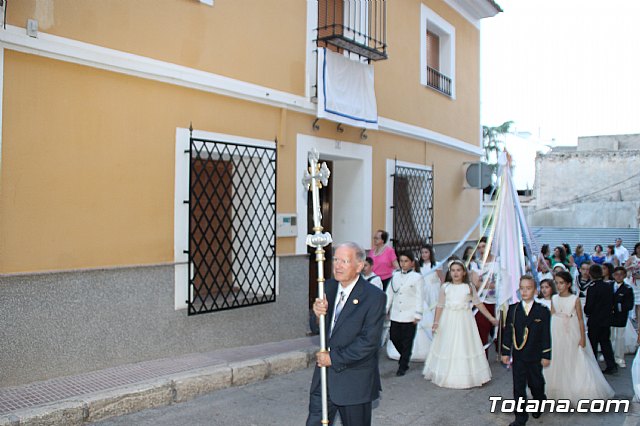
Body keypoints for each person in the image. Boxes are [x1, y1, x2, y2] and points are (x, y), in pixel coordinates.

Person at [306, 242, 386, 426]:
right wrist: (318, 316)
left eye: (344, 261)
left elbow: (369, 342)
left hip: (354, 382)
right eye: (335, 259)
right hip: (324, 378)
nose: (338, 265)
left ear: (359, 266)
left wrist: (333, 358)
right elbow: (317, 327)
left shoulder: (373, 297)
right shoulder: (328, 287)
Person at [422, 260, 498, 389]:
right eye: (453, 270)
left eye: (458, 270)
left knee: (464, 344)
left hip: (464, 321)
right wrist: (436, 322)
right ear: (450, 273)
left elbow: (478, 304)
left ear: (463, 273)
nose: (455, 273)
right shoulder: (445, 287)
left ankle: (467, 375)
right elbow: (440, 305)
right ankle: (448, 373)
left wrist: (491, 318)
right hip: (449, 319)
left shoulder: (468, 287)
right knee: (449, 345)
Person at [543, 271, 614, 405]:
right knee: (558, 358)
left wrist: (582, 337)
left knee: (574, 358)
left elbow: (581, 319)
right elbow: (551, 316)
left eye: (562, 283)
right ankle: (557, 387)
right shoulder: (554, 298)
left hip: (571, 330)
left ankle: (577, 387)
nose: (559, 286)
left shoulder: (574, 299)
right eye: (557, 283)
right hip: (556, 330)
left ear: (568, 284)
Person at [501, 276, 551, 426]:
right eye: (522, 288)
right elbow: (508, 332)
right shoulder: (513, 310)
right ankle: (520, 417)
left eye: (528, 288)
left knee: (536, 384)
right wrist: (505, 352)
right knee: (518, 387)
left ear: (535, 291)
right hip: (519, 356)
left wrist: (546, 354)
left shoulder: (542, 311)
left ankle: (539, 400)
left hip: (535, 356)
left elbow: (546, 335)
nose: (524, 291)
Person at [385, 251, 423, 376]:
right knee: (394, 336)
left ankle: (403, 365)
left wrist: (417, 314)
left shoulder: (417, 277)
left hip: (409, 314)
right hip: (396, 313)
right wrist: (385, 309)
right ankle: (404, 356)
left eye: (406, 261)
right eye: (401, 261)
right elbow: (390, 293)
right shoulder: (395, 276)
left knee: (407, 341)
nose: (403, 264)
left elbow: (419, 296)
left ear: (412, 263)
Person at [584, 264, 618, 375]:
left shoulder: (592, 288)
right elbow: (612, 302)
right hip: (605, 320)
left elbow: (589, 306)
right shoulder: (608, 287)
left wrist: (587, 312)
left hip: (594, 321)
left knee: (593, 344)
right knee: (605, 343)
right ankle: (611, 365)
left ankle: (592, 366)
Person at [472, 236, 498, 357]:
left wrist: (489, 284)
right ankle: (483, 359)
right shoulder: (476, 264)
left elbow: (503, 281)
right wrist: (490, 285)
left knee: (500, 330)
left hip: (498, 301)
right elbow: (476, 283)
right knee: (482, 331)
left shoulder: (498, 262)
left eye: (484, 246)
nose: (482, 249)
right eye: (480, 247)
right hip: (483, 302)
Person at [611, 266, 635, 368]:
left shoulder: (627, 289)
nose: (618, 276)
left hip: (621, 316)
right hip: (610, 316)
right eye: (616, 274)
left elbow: (629, 305)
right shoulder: (609, 286)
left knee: (620, 337)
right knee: (610, 336)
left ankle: (619, 357)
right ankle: (609, 354)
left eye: (621, 274)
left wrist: (618, 307)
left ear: (624, 275)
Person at [624, 242, 640, 322]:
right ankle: (631, 318)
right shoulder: (632, 258)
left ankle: (637, 319)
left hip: (639, 282)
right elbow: (624, 269)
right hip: (632, 281)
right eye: (638, 248)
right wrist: (631, 267)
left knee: (639, 303)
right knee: (631, 300)